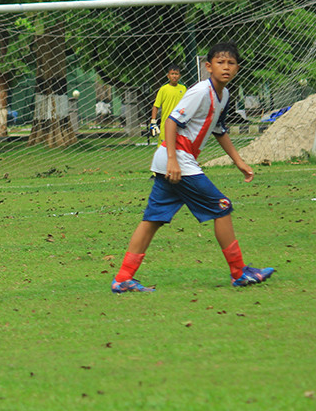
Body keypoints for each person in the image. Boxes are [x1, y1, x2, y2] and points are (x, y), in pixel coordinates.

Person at [111, 41, 275, 293]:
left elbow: (219, 130)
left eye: (231, 63)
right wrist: (174, 162)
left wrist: (239, 162)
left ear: (238, 68)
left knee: (152, 220)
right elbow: (171, 123)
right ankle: (239, 272)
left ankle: (123, 278)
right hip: (178, 160)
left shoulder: (225, 94)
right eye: (220, 62)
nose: (226, 67)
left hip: (173, 160)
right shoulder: (201, 91)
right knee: (222, 206)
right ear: (208, 66)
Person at [150, 64, 187, 144]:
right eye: (172, 74)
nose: (174, 76)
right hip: (166, 124)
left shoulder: (183, 89)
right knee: (163, 149)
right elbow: (156, 106)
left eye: (176, 74)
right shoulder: (163, 89)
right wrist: (153, 122)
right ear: (168, 76)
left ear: (179, 76)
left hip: (179, 124)